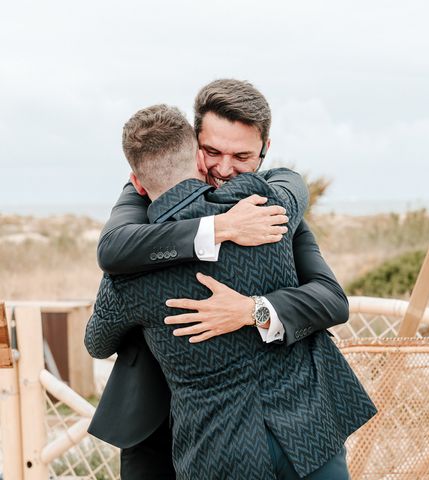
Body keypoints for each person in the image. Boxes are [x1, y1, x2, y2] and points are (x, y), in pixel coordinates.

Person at [85, 104, 376, 479]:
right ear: (197, 155)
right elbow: (290, 187)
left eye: (240, 156)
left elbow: (97, 343)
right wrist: (216, 229)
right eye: (214, 154)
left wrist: (250, 310)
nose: (224, 169)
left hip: (218, 448)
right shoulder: (265, 206)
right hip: (309, 433)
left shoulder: (127, 275)